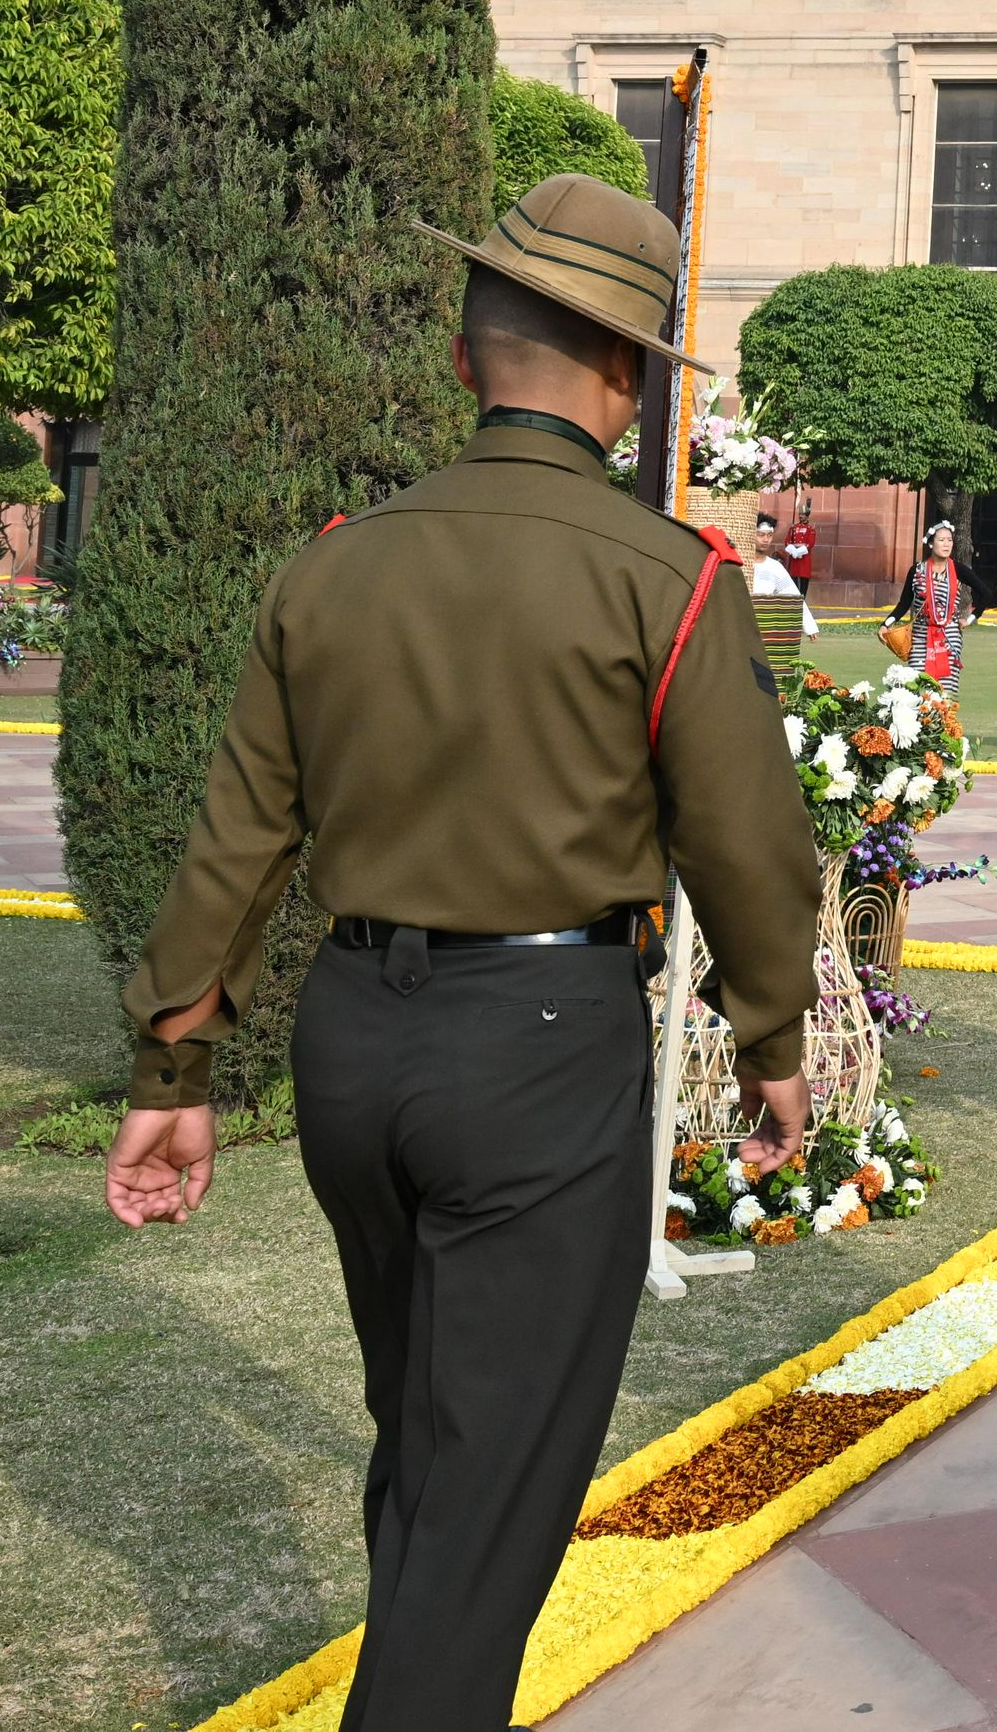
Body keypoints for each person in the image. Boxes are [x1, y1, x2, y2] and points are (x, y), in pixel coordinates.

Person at [100, 175, 819, 1732]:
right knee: (493, 1484)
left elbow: (236, 839)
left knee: (431, 1444)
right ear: (627, 379)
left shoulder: (337, 561)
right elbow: (752, 851)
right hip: (542, 1040)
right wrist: (772, 1041)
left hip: (356, 1038)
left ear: (461, 353)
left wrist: (173, 1066)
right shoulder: (669, 576)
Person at [901, 520, 969, 683]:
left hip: (949, 636)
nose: (946, 544)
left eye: (949, 540)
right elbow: (904, 603)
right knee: (917, 686)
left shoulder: (957, 569)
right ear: (931, 543)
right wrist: (885, 624)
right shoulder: (917, 570)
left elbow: (985, 593)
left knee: (946, 690)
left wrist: (970, 618)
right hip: (920, 635)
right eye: (941, 540)